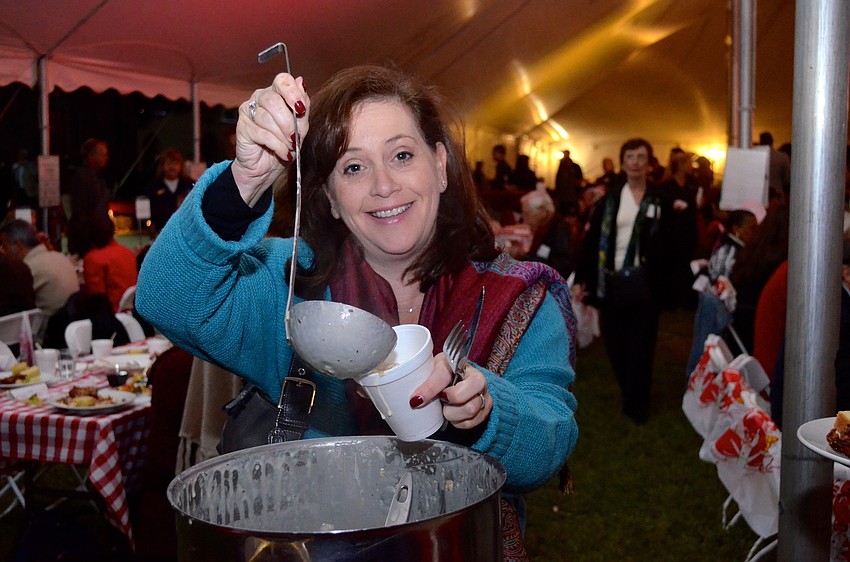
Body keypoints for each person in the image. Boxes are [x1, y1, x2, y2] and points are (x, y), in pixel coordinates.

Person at [137, 65, 578, 535]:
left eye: (402, 155)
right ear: (328, 196)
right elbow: (168, 297)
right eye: (353, 167)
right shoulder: (288, 286)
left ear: (441, 166)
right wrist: (246, 180)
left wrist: (488, 410)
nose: (383, 185)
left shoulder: (516, 296)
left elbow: (550, 443)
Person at [574, 138, 666, 425]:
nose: (636, 162)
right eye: (630, 157)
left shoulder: (660, 199)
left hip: (646, 284)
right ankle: (630, 389)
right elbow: (590, 241)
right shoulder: (610, 200)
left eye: (641, 157)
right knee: (616, 343)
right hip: (611, 284)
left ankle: (637, 405)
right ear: (623, 162)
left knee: (642, 344)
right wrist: (582, 278)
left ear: (649, 163)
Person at [0, 219, 79, 320]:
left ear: (18, 245)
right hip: (72, 326)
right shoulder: (59, 256)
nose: (2, 251)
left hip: (50, 331)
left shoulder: (25, 269)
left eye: (4, 246)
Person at [67, 212, 138, 313]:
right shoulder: (127, 252)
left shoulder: (94, 258)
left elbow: (96, 299)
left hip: (109, 315)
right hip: (130, 314)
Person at [658, 150, 698, 309]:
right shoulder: (666, 187)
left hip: (687, 231)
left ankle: (685, 298)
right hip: (671, 233)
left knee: (685, 266)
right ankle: (670, 299)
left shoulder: (691, 184)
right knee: (670, 267)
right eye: (687, 163)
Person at [144, 148, 194, 233]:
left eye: (175, 164)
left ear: (181, 166)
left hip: (185, 232)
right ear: (162, 166)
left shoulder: (190, 186)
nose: (172, 167)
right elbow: (146, 211)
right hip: (160, 232)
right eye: (169, 163)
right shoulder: (153, 186)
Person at [69, 138, 111, 220]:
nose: (106, 158)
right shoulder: (81, 179)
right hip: (91, 229)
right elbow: (81, 211)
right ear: (91, 156)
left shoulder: (98, 178)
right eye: (103, 155)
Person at [758, 131, 791, 205]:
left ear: (761, 142)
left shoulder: (754, 157)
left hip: (759, 193)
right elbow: (787, 179)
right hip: (777, 193)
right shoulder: (782, 157)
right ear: (772, 141)